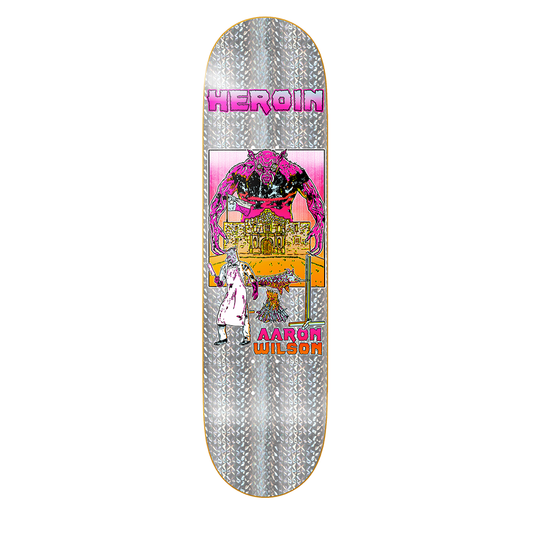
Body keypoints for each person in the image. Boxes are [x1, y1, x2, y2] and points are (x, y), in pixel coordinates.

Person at [214, 247, 258, 345]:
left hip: (240, 293)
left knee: (243, 315)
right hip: (230, 293)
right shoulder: (224, 268)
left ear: (235, 255)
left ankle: (246, 337)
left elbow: (252, 277)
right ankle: (222, 338)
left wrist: (255, 289)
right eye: (228, 255)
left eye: (231, 254)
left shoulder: (243, 266)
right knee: (221, 314)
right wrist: (217, 281)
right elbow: (221, 283)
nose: (229, 257)